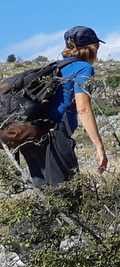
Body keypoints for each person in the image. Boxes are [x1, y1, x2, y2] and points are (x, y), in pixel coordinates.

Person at [18, 26, 108, 186]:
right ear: (90, 48)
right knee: (69, 193)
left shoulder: (56, 67)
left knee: (46, 195)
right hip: (54, 135)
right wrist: (99, 146)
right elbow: (83, 108)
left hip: (32, 136)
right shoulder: (84, 68)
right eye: (97, 46)